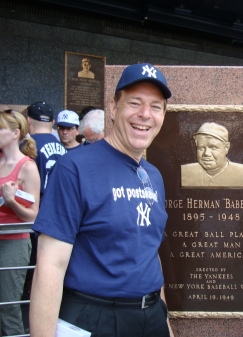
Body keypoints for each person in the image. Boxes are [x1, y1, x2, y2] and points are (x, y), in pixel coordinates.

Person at [30, 63, 174, 337]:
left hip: (151, 316)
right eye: (135, 102)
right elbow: (50, 265)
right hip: (96, 319)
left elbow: (150, 253)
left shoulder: (154, 176)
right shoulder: (74, 168)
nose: (145, 114)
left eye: (156, 106)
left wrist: (164, 324)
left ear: (163, 115)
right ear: (113, 106)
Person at [0, 110, 40, 336]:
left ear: (16, 133)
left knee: (7, 306)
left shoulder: (27, 166)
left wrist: (11, 201)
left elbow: (34, 215)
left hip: (13, 242)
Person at [181, 122, 243, 188]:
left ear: (226, 148)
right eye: (201, 148)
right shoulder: (185, 172)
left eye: (213, 147)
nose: (206, 153)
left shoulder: (242, 173)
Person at [25, 101, 67, 197]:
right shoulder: (63, 148)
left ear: (28, 120)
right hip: (57, 205)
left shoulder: (26, 146)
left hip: (35, 205)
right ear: (53, 122)